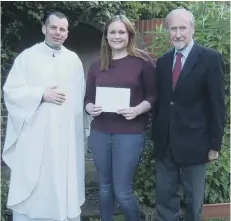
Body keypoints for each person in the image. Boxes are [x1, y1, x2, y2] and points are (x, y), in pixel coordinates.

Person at [3, 11, 90, 221]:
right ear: (44, 28)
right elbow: (11, 91)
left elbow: (80, 97)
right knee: (36, 183)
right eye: (53, 28)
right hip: (35, 137)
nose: (57, 33)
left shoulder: (74, 61)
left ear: (67, 33)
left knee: (62, 181)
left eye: (62, 29)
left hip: (65, 138)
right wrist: (41, 94)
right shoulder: (27, 58)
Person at [151, 8, 225, 221]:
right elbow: (163, 102)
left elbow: (217, 106)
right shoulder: (163, 62)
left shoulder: (210, 59)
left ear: (192, 29)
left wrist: (214, 145)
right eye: (173, 29)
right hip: (165, 142)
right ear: (168, 32)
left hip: (196, 142)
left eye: (182, 28)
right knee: (165, 199)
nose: (178, 33)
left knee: (194, 202)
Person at [84, 15, 157, 221]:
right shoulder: (97, 65)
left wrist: (137, 110)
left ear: (129, 35)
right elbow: (88, 98)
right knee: (105, 188)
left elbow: (153, 95)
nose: (117, 36)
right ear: (106, 36)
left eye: (121, 32)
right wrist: (90, 107)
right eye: (112, 32)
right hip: (100, 132)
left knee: (123, 191)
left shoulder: (142, 62)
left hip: (130, 134)